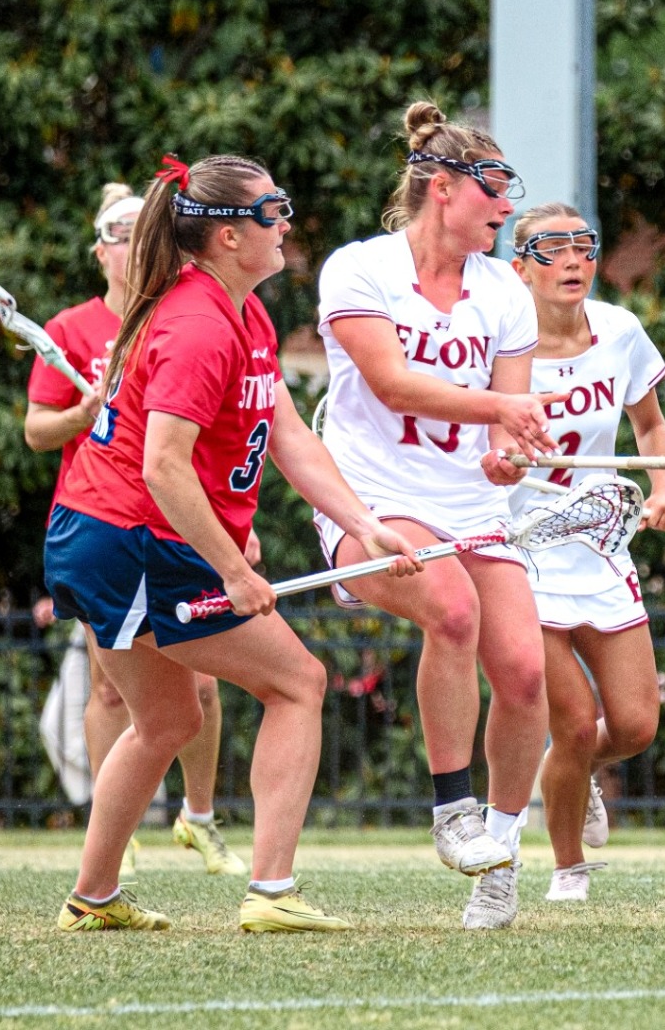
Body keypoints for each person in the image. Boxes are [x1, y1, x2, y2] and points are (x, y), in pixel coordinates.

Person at [46, 153, 422, 933]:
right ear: (226, 236)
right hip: (128, 539)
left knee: (168, 722)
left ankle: (92, 898)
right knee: (298, 682)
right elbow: (162, 465)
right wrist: (229, 566)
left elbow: (288, 437)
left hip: (119, 535)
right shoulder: (197, 325)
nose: (285, 224)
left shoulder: (244, 315)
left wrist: (363, 524)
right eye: (271, 211)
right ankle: (272, 891)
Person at [312, 102, 561, 929]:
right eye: (493, 189)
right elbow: (392, 385)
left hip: (470, 501)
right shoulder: (360, 269)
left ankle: (501, 854)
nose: (507, 207)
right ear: (443, 188)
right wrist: (501, 410)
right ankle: (452, 810)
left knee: (524, 674)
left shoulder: (505, 291)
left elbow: (505, 427)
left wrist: (508, 453)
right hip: (372, 496)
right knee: (451, 610)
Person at [24, 183, 248, 879]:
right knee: (113, 692)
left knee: (199, 692)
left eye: (136, 231)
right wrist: (83, 412)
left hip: (177, 522)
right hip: (111, 523)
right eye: (115, 236)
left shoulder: (179, 315)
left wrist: (232, 531)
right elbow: (37, 431)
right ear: (99, 253)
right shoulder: (74, 328)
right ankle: (111, 839)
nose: (129, 245)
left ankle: (197, 817)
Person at [504, 203, 665, 903]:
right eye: (553, 249)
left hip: (601, 549)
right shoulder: (500, 348)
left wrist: (663, 489)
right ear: (521, 268)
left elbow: (650, 424)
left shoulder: (620, 331)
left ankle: (570, 774)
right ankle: (568, 868)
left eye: (584, 246)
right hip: (525, 554)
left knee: (634, 726)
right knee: (576, 725)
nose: (573, 260)